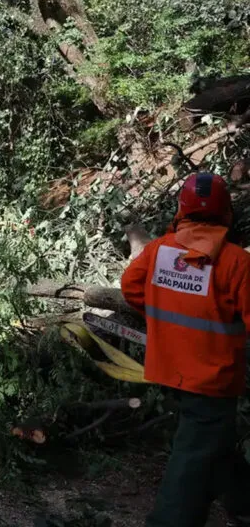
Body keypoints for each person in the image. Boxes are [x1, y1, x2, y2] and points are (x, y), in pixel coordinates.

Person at [121, 172, 250, 527]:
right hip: (212, 379)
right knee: (193, 457)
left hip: (169, 369)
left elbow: (131, 288)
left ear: (181, 210)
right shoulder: (237, 263)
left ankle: (243, 499)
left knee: (214, 445)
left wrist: (168, 319)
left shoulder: (158, 250)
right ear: (227, 212)